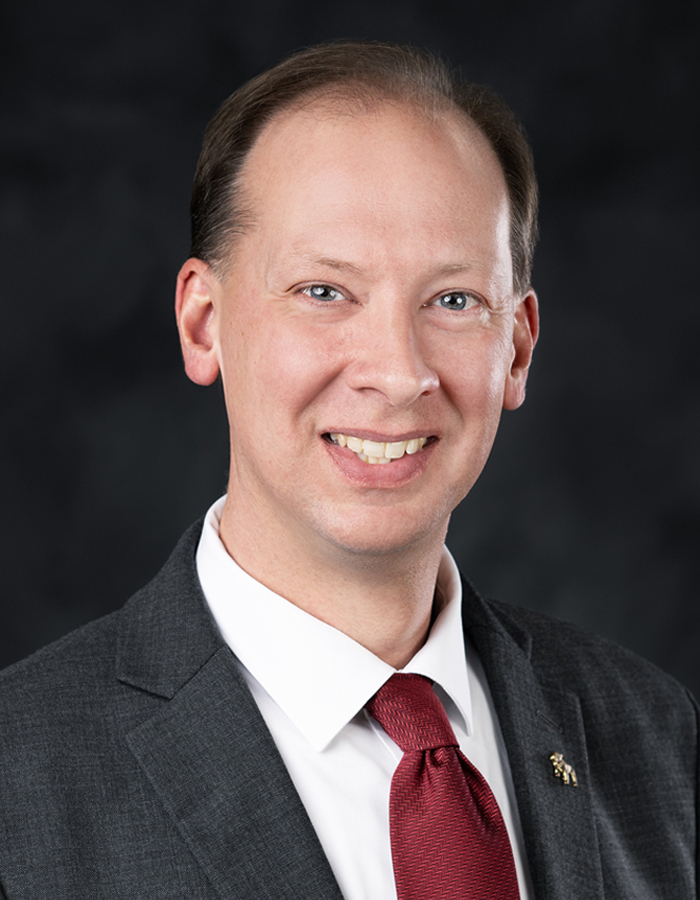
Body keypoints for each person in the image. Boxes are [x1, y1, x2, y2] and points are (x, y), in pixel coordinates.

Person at [0, 41, 696, 900]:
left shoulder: (656, 738)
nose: (398, 372)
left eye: (452, 301)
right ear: (203, 322)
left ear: (516, 350)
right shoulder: (18, 779)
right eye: (324, 291)